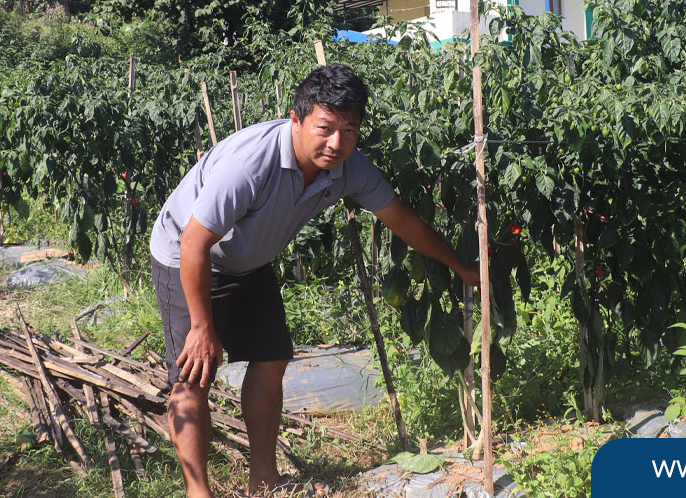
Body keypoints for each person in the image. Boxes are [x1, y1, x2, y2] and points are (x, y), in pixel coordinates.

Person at [149, 64, 480, 498]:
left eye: (349, 130)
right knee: (194, 374)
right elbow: (194, 241)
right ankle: (198, 492)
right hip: (187, 254)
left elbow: (402, 220)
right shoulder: (250, 166)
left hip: (250, 260)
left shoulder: (349, 167)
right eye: (325, 128)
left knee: (271, 359)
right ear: (296, 120)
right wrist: (201, 326)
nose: (336, 143)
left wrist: (460, 265)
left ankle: (264, 480)